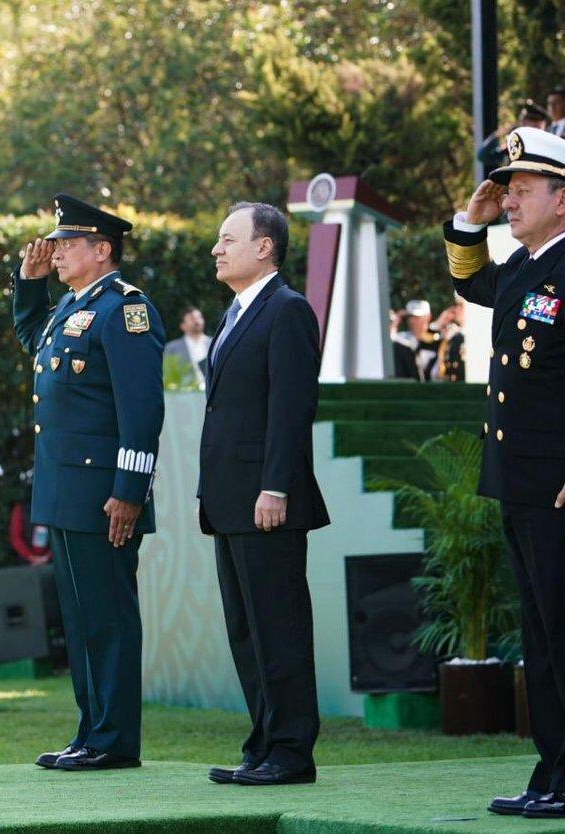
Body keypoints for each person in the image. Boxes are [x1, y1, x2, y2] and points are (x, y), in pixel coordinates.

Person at [444, 127, 565, 819]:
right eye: (507, 190)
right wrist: (472, 219)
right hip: (520, 482)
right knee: (541, 637)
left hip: (562, 487)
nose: (509, 200)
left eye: (521, 191)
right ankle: (552, 770)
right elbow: (467, 276)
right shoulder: (526, 269)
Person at [12, 194, 164, 771]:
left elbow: (141, 409)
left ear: (102, 250)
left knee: (108, 618)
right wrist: (29, 285)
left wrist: (129, 490)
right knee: (80, 621)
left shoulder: (126, 310)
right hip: (67, 492)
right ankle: (92, 732)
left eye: (67, 245)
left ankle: (114, 740)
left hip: (104, 495)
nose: (55, 253)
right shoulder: (74, 306)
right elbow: (36, 343)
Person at [198, 202, 329, 787]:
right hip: (229, 502)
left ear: (264, 248)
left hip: (265, 501)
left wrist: (275, 485)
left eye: (228, 239)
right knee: (246, 631)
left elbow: (291, 408)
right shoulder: (237, 312)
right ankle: (263, 743)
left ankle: (291, 752)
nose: (217, 249)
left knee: (279, 628)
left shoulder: (287, 310)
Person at [477, 101, 550, 176]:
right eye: (523, 120)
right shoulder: (515, 145)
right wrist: (496, 135)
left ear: (542, 124)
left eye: (532, 120)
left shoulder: (546, 146)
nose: (523, 123)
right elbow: (483, 156)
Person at [162, 306, 211, 390]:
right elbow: (167, 375)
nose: (197, 321)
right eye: (192, 318)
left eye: (199, 317)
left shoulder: (215, 343)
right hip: (184, 395)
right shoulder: (171, 348)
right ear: (182, 326)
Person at [392, 299, 440, 380]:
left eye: (418, 317)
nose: (412, 321)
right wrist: (395, 322)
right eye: (410, 317)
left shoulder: (437, 340)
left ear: (428, 317)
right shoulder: (401, 341)